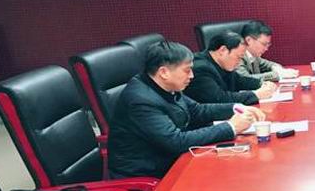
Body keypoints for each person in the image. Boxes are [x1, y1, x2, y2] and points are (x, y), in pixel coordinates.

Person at [109, 41, 264, 178]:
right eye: (187, 70)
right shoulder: (141, 101)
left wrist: (236, 108)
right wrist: (230, 127)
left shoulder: (164, 85)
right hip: (152, 174)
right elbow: (175, 141)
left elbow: (196, 110)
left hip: (173, 160)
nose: (192, 76)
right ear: (164, 72)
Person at [185, 31, 277, 104]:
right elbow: (220, 99)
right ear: (223, 50)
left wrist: (261, 83)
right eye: (238, 57)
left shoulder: (222, 64)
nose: (239, 62)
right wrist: (255, 95)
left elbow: (239, 80)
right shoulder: (200, 68)